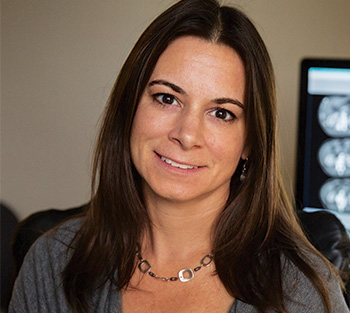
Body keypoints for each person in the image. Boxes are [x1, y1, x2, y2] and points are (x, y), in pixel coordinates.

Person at [9, 0, 350, 312]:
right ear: (129, 108)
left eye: (222, 113)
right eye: (167, 99)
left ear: (250, 144)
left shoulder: (302, 292)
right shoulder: (52, 264)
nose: (186, 135)